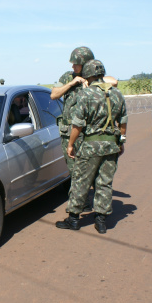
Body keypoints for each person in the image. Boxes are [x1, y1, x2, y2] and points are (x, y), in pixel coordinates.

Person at [56, 60, 127, 234]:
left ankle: (73, 219)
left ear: (87, 76)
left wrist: (71, 144)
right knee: (104, 182)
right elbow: (123, 121)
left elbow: (78, 124)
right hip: (111, 145)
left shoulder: (86, 94)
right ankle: (101, 220)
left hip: (91, 145)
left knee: (81, 181)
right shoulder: (117, 94)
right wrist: (121, 140)